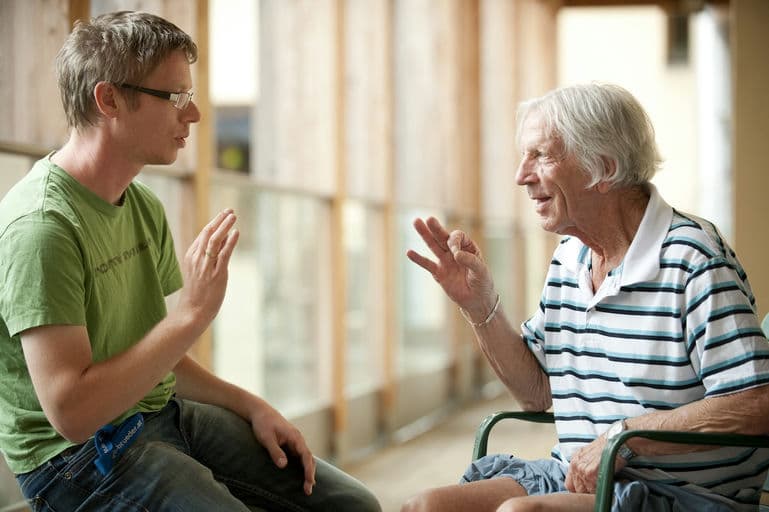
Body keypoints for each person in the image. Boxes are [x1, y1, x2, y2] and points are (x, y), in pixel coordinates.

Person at [0, 11, 380, 512]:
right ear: (108, 98)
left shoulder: (141, 205)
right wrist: (192, 313)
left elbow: (156, 359)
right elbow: (72, 413)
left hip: (159, 409)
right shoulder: (42, 226)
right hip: (74, 459)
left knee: (353, 505)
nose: (195, 114)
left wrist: (252, 405)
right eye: (175, 96)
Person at [402, 82, 769, 512]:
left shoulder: (691, 258)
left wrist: (625, 438)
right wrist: (479, 305)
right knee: (424, 506)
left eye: (540, 155)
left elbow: (756, 401)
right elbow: (538, 392)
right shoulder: (570, 260)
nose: (521, 175)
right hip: (581, 480)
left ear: (603, 167)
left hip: (680, 494)